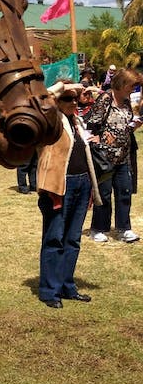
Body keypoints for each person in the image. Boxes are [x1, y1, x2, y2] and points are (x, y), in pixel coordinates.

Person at [36, 81, 102, 308]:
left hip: (82, 183)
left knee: (72, 240)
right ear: (58, 100)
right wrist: (65, 85)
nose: (74, 102)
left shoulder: (77, 121)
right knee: (54, 238)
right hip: (59, 186)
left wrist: (88, 90)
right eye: (68, 98)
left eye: (76, 99)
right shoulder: (50, 120)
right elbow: (41, 99)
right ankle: (49, 291)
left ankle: (66, 286)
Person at [86, 67, 142, 243]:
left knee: (124, 192)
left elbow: (124, 124)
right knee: (103, 194)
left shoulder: (126, 103)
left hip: (123, 156)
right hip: (104, 157)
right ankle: (98, 228)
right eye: (131, 85)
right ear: (122, 83)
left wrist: (134, 126)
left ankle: (124, 228)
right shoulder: (105, 99)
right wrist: (99, 138)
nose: (133, 89)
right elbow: (91, 123)